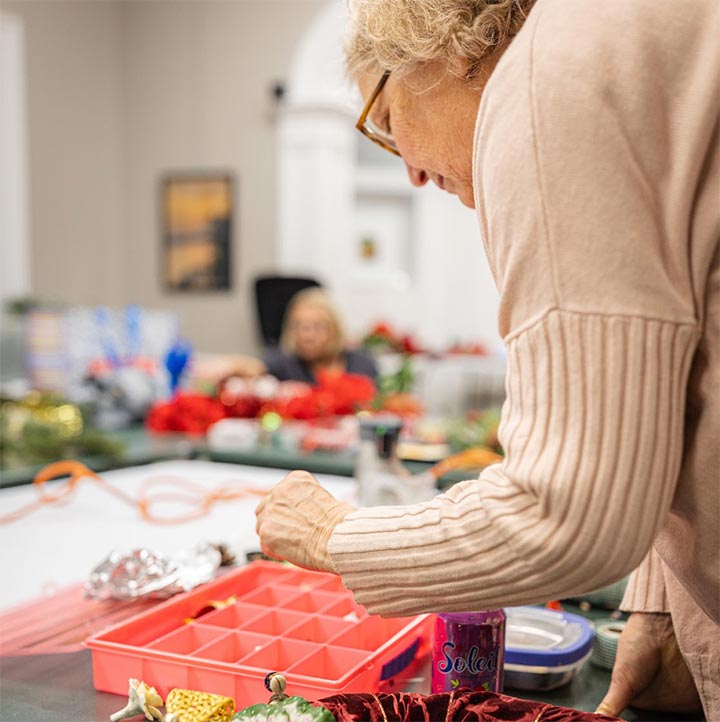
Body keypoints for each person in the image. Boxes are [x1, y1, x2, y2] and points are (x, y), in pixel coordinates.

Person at [255, 0, 719, 718]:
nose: (408, 171)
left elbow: (562, 516)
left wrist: (330, 534)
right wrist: (664, 604)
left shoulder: (541, 83)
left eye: (383, 120)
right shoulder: (621, 33)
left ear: (434, 53)